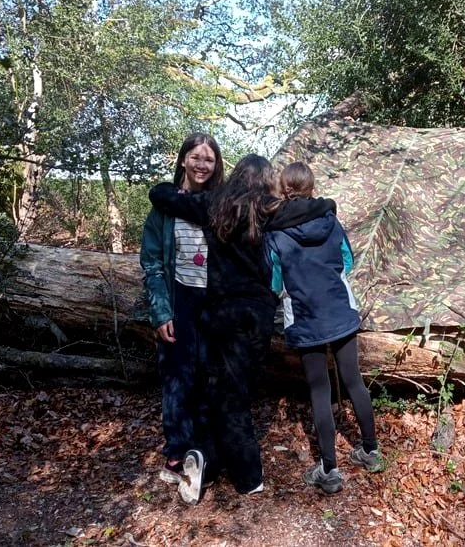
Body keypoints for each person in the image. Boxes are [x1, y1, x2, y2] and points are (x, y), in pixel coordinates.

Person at [148, 154, 336, 499]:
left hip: (216, 313)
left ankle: (206, 458)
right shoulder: (270, 207)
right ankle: (249, 478)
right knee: (235, 396)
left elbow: (162, 195)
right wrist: (326, 203)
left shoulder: (212, 203)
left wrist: (167, 187)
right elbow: (313, 209)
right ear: (267, 181)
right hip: (254, 315)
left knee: (214, 390)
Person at [265, 161, 382, 495]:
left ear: (283, 190)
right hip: (341, 312)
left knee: (320, 391)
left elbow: (275, 280)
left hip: (305, 318)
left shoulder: (275, 232)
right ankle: (370, 451)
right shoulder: (330, 221)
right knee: (354, 380)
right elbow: (347, 260)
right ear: (312, 187)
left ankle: (329, 471)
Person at [139, 132, 224, 506]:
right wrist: (160, 311)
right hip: (179, 299)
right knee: (177, 376)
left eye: (209, 158)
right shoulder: (164, 207)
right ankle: (177, 454)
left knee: (209, 376)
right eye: (196, 157)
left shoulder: (220, 204)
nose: (202, 164)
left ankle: (202, 455)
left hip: (215, 303)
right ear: (183, 160)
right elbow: (152, 264)